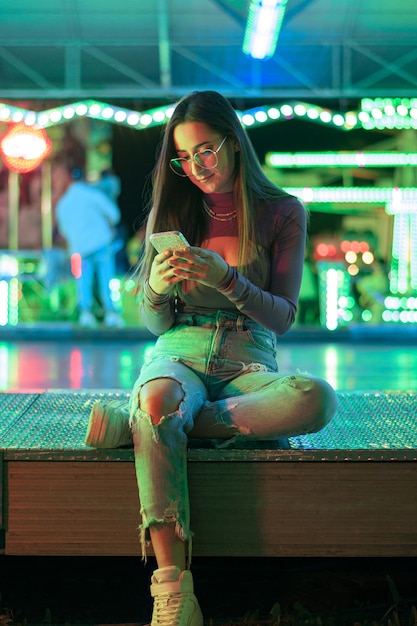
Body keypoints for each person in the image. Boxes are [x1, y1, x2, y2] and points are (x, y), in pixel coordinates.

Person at [85, 90, 338, 625]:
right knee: (159, 397)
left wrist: (227, 279)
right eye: (184, 156)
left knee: (316, 399)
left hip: (250, 359)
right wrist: (153, 289)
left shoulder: (281, 212)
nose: (195, 166)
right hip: (181, 349)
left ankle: (146, 427)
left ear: (234, 143)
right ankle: (173, 589)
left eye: (205, 150)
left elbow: (284, 316)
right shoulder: (176, 209)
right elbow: (157, 323)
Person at [55, 166, 124, 328]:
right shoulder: (93, 195)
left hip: (80, 249)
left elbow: (64, 231)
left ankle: (86, 314)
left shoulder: (63, 204)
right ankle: (111, 314)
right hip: (102, 245)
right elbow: (114, 215)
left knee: (83, 281)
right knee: (106, 278)